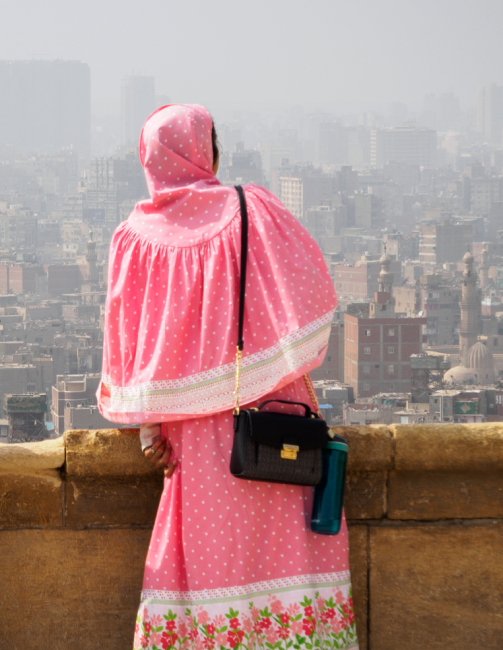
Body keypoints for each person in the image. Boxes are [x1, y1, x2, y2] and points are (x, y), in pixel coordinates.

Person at [99, 105, 357, 650]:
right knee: (284, 569)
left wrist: (150, 428)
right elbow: (311, 292)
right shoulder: (252, 208)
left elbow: (131, 342)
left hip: (195, 437)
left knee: (214, 578)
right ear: (205, 150)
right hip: (272, 422)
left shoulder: (135, 239)